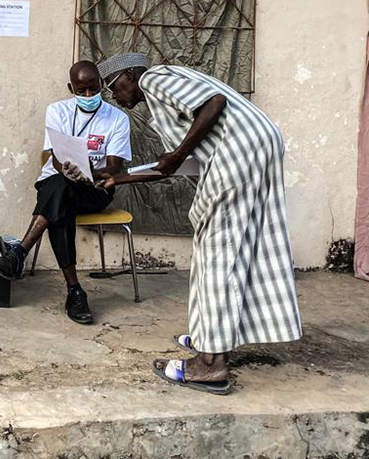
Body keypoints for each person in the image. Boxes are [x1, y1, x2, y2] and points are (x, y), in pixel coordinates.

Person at [98, 52, 302, 395]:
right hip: (255, 145)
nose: (115, 97)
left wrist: (176, 154)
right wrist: (118, 179)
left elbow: (214, 103)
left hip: (237, 152)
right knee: (241, 244)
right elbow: (170, 167)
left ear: (131, 75)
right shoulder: (163, 106)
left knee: (218, 250)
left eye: (113, 86)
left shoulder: (154, 78)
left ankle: (209, 364)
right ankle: (214, 335)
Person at [0, 61, 131, 324]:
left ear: (101, 84)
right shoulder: (57, 111)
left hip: (95, 190)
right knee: (61, 192)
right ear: (71, 88)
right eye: (82, 90)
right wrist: (66, 169)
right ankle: (74, 292)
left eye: (94, 88)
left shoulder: (118, 119)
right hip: (58, 183)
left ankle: (19, 253)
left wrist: (88, 174)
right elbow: (53, 158)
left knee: (59, 191)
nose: (89, 95)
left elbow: (113, 168)